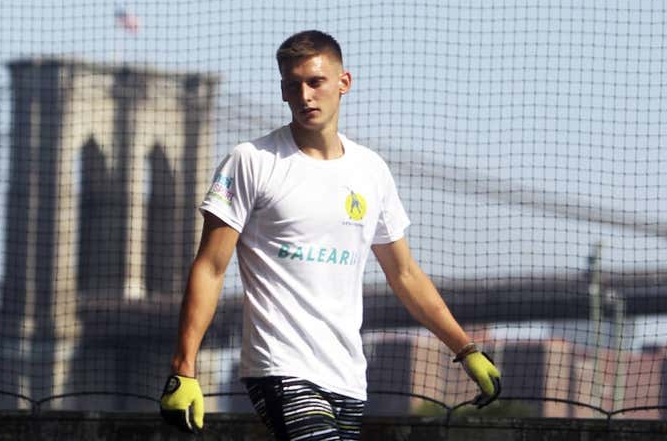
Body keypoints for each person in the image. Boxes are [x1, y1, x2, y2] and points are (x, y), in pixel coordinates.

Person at [160, 30, 501, 439]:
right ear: (283, 91)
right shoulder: (251, 161)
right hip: (280, 365)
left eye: (316, 82)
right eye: (293, 85)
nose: (305, 95)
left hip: (347, 376)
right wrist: (184, 368)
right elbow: (211, 268)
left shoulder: (371, 171)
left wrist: (465, 349)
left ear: (344, 83)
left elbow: (405, 274)